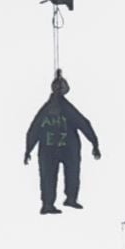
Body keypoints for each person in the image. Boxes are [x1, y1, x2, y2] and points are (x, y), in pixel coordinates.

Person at [23, 72, 103, 214]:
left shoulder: (51, 109)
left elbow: (34, 129)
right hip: (58, 150)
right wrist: (28, 149)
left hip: (60, 149)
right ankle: (52, 203)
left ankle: (63, 201)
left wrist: (95, 143)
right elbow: (84, 124)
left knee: (60, 174)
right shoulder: (62, 109)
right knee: (55, 175)